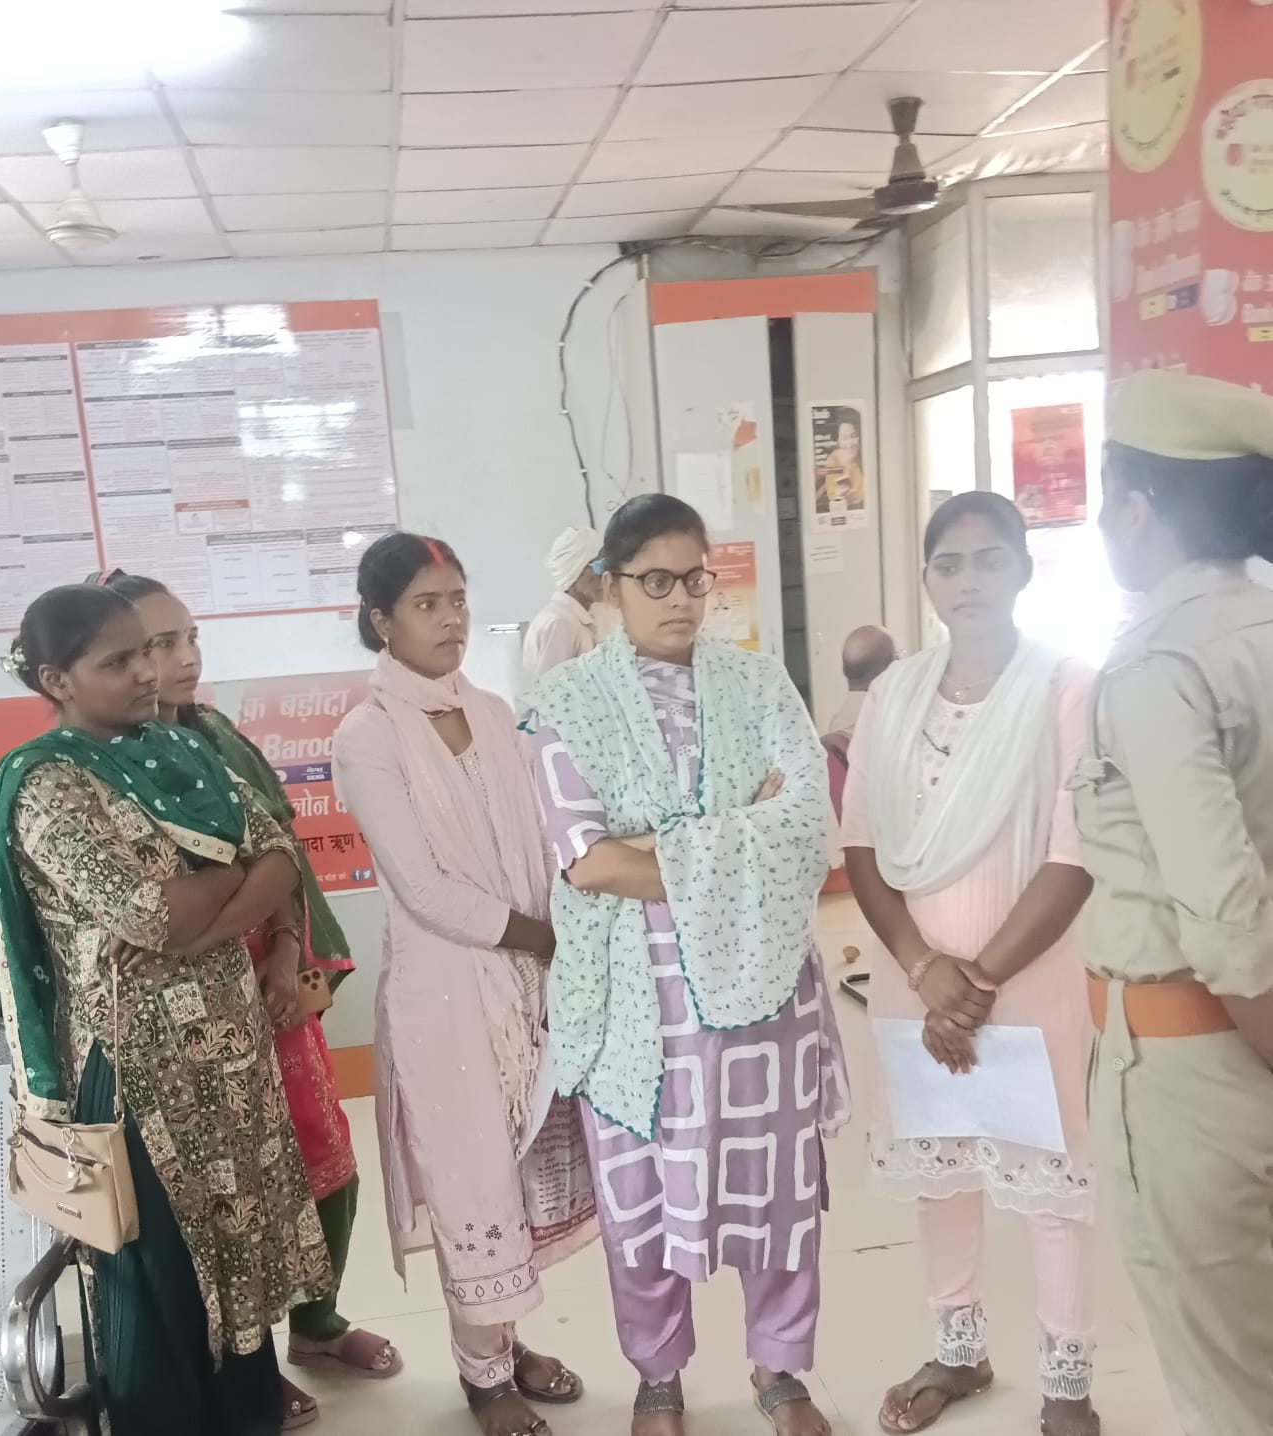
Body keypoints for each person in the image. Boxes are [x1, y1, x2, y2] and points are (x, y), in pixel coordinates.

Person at [525, 494, 850, 1436]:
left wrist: (657, 842)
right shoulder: (565, 704)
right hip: (639, 1003)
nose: (679, 600)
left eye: (694, 579)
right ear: (610, 586)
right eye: (656, 581)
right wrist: (741, 830)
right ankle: (658, 1374)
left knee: (776, 1187)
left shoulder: (760, 683)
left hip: (765, 991)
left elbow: (807, 832)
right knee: (641, 1196)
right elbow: (587, 862)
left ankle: (781, 1367)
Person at [0, 584, 333, 1436]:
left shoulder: (181, 752)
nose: (146, 672)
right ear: (56, 680)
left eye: (147, 651)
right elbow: (147, 914)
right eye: (118, 661)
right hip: (138, 1070)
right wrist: (227, 873)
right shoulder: (46, 785)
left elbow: (282, 857)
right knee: (161, 1275)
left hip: (232, 1056)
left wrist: (201, 923)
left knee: (239, 1255)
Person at [92, 570, 402, 1419]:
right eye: (157, 645)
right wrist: (235, 907)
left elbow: (281, 855)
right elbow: (156, 910)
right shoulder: (101, 767)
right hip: (183, 1010)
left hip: (272, 977)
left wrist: (287, 953)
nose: (181, 660)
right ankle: (247, 1357)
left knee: (323, 1152)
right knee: (228, 1184)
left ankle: (319, 1326)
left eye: (188, 638)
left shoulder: (214, 735)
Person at [840, 492, 1099, 1436]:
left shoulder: (1067, 688)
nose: (969, 580)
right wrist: (923, 970)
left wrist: (977, 979)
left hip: (1024, 979)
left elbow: (1074, 855)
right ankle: (958, 1351)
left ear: (1023, 569)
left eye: (989, 559)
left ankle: (1067, 1384)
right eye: (948, 564)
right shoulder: (894, 694)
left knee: (1050, 1182)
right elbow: (861, 843)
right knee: (941, 1171)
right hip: (914, 982)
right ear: (927, 581)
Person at [331, 533, 596, 1436]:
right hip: (444, 990)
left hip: (522, 980)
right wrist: (545, 939)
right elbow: (423, 887)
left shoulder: (490, 710)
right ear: (382, 622)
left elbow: (541, 836)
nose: (451, 620)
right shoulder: (366, 736)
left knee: (514, 1171)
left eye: (457, 600)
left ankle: (508, 1345)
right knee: (469, 1178)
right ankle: (483, 1377)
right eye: (426, 605)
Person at [1076, 370, 1273, 1436]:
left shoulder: (1160, 664)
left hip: (1198, 1068)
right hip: (1235, 1049)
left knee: (1229, 1388)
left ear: (1137, 508)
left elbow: (1227, 921)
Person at [521, 526, 603, 687]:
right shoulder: (560, 623)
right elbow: (552, 691)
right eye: (599, 566)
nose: (605, 575)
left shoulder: (576, 619)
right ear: (575, 571)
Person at [826, 625, 896, 741]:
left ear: (844, 669)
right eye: (896, 658)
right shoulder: (892, 724)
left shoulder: (837, 724)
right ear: (889, 668)